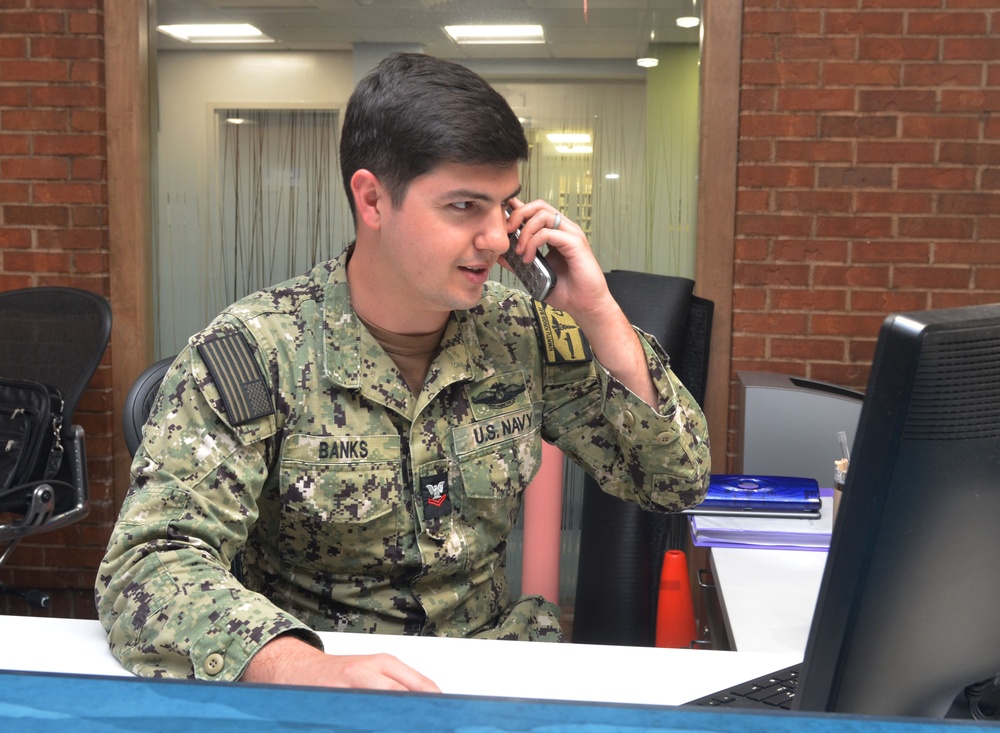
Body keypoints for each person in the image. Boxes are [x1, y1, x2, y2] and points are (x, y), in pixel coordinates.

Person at [96, 52, 710, 692]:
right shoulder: (254, 353)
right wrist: (298, 666)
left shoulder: (521, 333)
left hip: (484, 679)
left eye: (504, 206)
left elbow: (678, 482)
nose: (498, 239)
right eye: (464, 206)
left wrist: (598, 311)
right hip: (320, 683)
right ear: (372, 199)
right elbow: (148, 563)